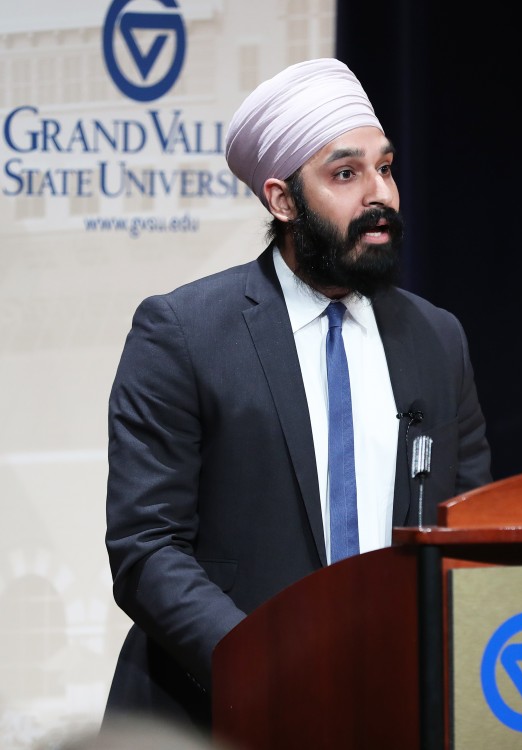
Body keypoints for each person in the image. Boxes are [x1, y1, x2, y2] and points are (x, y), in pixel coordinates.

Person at [103, 58, 492, 731]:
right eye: (346, 174)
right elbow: (147, 548)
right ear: (283, 200)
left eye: (386, 167)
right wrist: (270, 668)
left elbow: (471, 530)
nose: (382, 196)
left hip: (395, 708)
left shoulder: (437, 339)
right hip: (217, 714)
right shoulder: (184, 333)